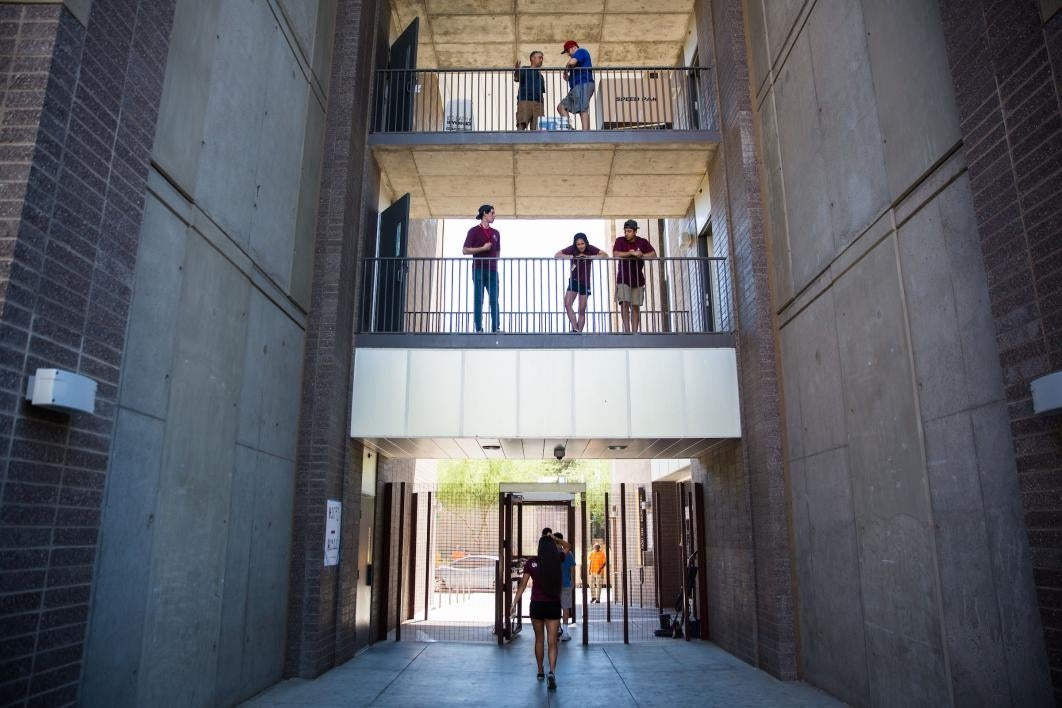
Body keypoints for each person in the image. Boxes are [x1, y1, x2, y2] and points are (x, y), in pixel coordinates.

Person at [510, 532, 571, 690]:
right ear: (552, 547)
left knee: (539, 640)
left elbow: (522, 585)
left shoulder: (531, 563)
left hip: (536, 605)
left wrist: (514, 602)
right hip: (553, 605)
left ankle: (540, 671)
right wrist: (555, 538)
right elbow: (568, 546)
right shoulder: (557, 559)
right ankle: (552, 672)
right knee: (552, 642)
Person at [612, 218, 657, 333]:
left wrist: (641, 255)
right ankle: (627, 332)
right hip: (623, 279)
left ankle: (635, 332)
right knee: (624, 304)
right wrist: (630, 253)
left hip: (638, 280)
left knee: (635, 306)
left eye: (629, 231)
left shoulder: (642, 242)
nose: (626, 233)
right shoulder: (620, 240)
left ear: (635, 231)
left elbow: (653, 255)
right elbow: (615, 254)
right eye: (625, 231)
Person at [555, 232, 605, 332]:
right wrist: (572, 257)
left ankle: (578, 332)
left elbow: (605, 255)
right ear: (575, 244)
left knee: (581, 310)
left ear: (586, 243)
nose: (580, 246)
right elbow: (557, 255)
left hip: (585, 283)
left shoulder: (590, 248)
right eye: (578, 244)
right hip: (574, 280)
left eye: (582, 244)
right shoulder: (572, 249)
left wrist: (588, 257)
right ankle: (575, 329)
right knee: (567, 303)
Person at [462, 204, 501, 333]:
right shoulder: (473, 231)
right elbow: (465, 250)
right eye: (492, 213)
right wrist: (482, 249)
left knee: (494, 299)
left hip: (493, 271)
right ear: (485, 213)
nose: (494, 216)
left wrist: (495, 261)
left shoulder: (496, 233)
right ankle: (479, 328)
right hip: (478, 269)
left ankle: (496, 328)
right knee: (479, 299)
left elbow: (498, 252)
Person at [557, 40, 594, 130]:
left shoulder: (581, 51)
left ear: (574, 47)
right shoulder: (578, 57)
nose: (568, 54)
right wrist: (569, 78)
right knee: (561, 107)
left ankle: (585, 133)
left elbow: (571, 63)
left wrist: (565, 70)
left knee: (583, 108)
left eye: (568, 51)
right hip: (577, 86)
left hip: (583, 83)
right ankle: (569, 128)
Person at [514, 51, 545, 130]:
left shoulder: (540, 76)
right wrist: (517, 70)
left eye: (542, 58)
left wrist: (541, 103)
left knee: (538, 128)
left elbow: (542, 92)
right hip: (525, 101)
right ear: (532, 58)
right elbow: (517, 78)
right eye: (540, 57)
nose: (541, 60)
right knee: (522, 124)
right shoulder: (525, 69)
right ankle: (518, 142)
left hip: (538, 103)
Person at [553, 532, 576, 639]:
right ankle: (565, 633)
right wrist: (573, 581)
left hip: (553, 585)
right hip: (566, 583)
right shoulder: (569, 553)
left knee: (555, 607)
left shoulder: (551, 552)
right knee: (565, 607)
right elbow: (572, 569)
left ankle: (556, 629)